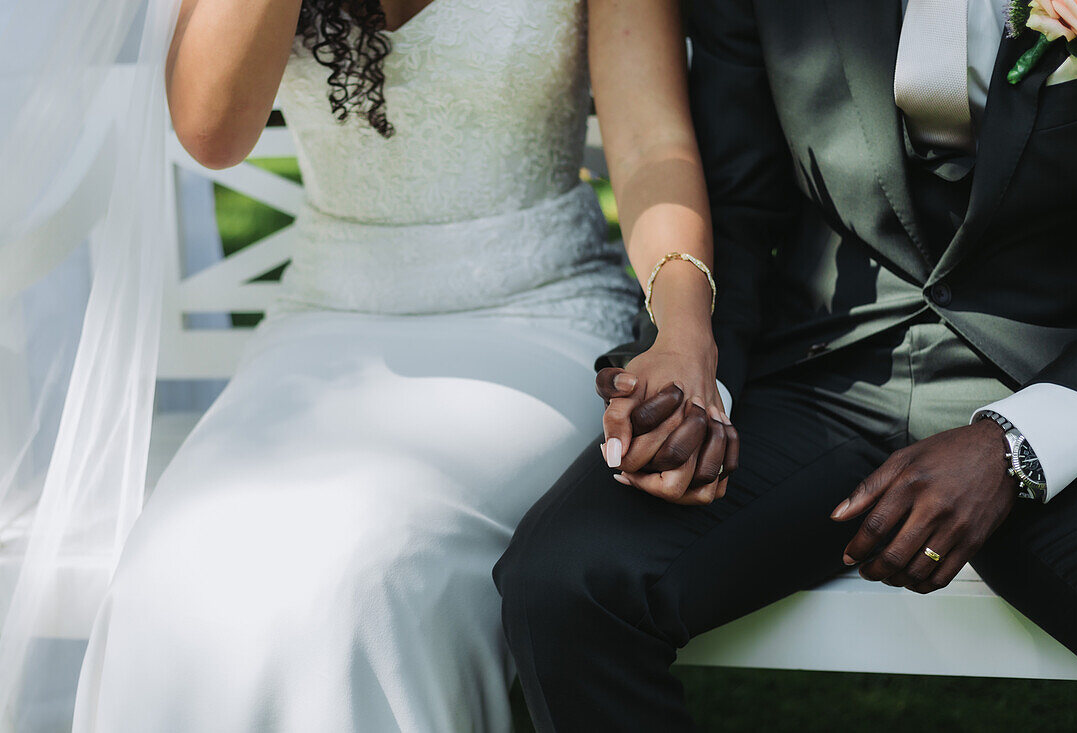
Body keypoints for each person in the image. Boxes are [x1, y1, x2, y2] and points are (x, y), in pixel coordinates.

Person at [68, 0, 724, 730]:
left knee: (362, 568)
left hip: (536, 315)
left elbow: (650, 143)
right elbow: (212, 129)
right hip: (327, 321)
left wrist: (682, 331)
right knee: (171, 569)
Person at [495, 0, 1077, 729]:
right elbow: (739, 203)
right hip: (829, 362)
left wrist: (1020, 445)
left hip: (1069, 371)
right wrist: (694, 376)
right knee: (567, 580)